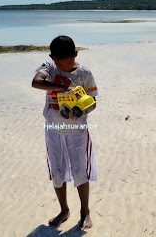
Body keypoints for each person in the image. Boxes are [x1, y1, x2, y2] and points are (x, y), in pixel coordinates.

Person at [31, 35, 98, 230]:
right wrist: (63, 88)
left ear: (76, 54)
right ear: (52, 58)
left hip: (76, 132)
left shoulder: (85, 73)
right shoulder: (49, 67)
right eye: (61, 63)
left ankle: (85, 212)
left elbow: (93, 100)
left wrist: (81, 111)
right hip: (53, 131)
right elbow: (36, 82)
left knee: (80, 170)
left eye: (70, 62)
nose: (66, 67)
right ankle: (64, 210)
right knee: (57, 171)